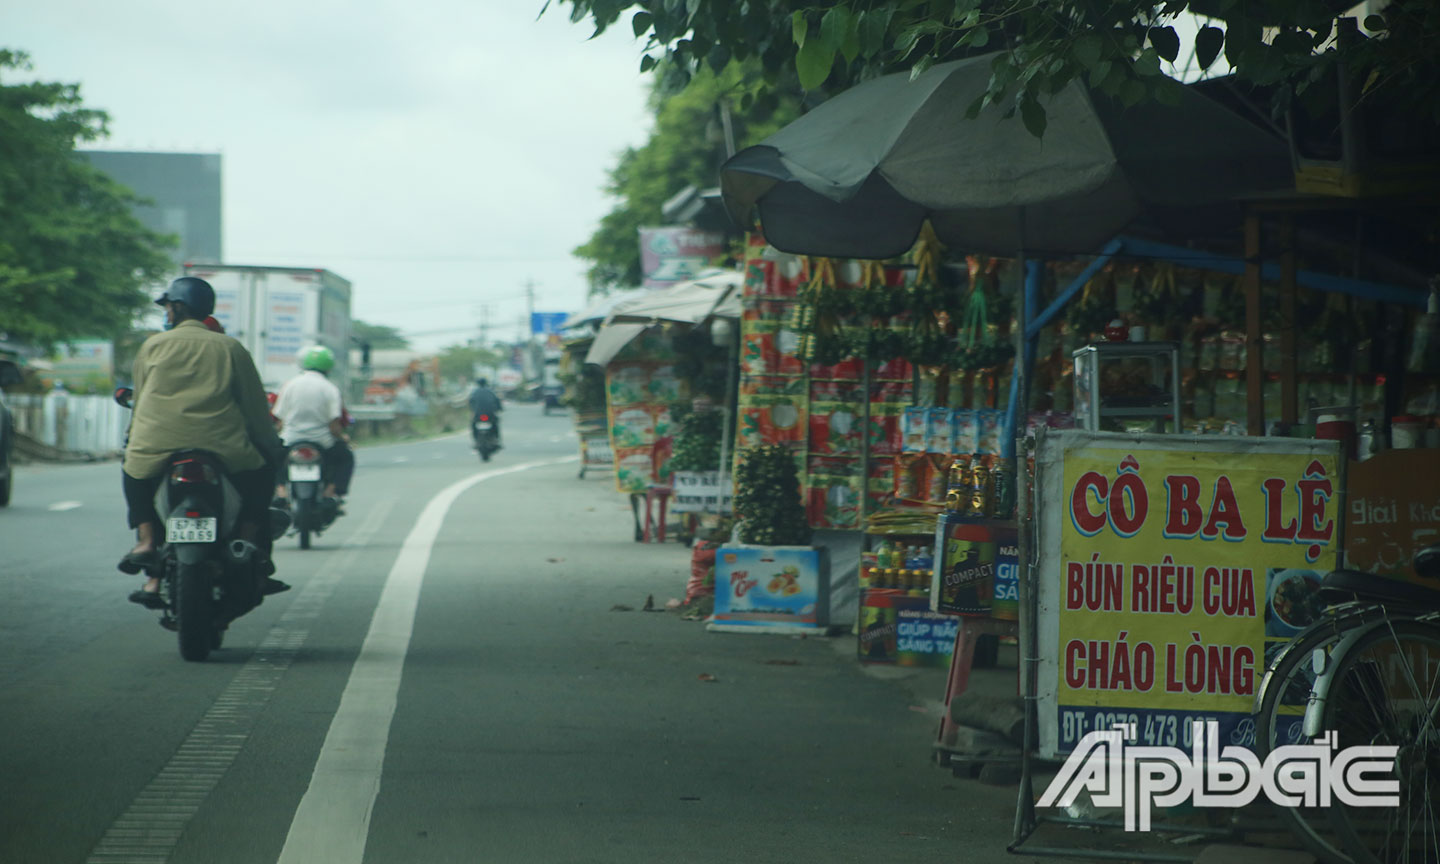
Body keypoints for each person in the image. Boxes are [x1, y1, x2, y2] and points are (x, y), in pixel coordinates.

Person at [120, 277, 288, 607]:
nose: (166, 312)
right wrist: (269, 445)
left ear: (178, 307)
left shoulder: (152, 346)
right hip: (223, 449)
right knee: (262, 478)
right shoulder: (230, 348)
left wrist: (134, 438)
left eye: (168, 305)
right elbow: (255, 408)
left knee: (134, 474)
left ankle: (145, 540)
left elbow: (141, 401)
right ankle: (246, 540)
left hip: (154, 446)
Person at [272, 345, 354, 505]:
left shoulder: (290, 385)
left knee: (273, 459)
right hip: (322, 442)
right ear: (329, 367)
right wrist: (343, 438)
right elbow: (334, 425)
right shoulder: (330, 389)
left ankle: (281, 491)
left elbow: (279, 419)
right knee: (346, 458)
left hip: (290, 439)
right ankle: (332, 491)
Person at [467, 377, 503, 446]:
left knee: (473, 424)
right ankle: (496, 438)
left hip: (478, 414)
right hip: (490, 414)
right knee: (495, 424)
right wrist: (500, 409)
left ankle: (475, 440)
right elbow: (497, 402)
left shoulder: (474, 392)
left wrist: (473, 410)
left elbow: (471, 403)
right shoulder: (491, 392)